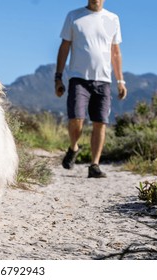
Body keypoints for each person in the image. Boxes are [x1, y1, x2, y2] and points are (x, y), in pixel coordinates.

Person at [55, 0, 127, 178]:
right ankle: (74, 147)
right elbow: (64, 47)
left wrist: (120, 80)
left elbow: (115, 52)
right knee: (76, 119)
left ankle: (94, 164)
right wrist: (58, 77)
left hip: (104, 80)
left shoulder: (113, 18)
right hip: (78, 78)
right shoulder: (74, 16)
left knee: (100, 122)